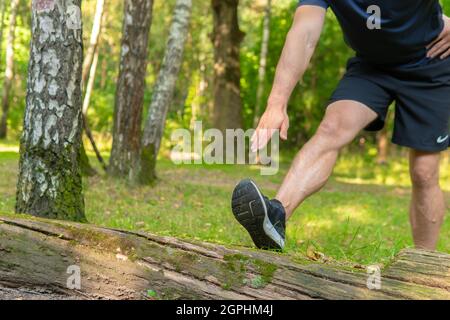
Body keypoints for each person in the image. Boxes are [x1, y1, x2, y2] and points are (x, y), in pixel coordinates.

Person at [231, 0, 450, 251]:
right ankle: (275, 217)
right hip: (372, 67)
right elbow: (304, 32)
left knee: (424, 171)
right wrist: (276, 103)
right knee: (331, 128)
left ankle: (423, 263)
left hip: (430, 62)